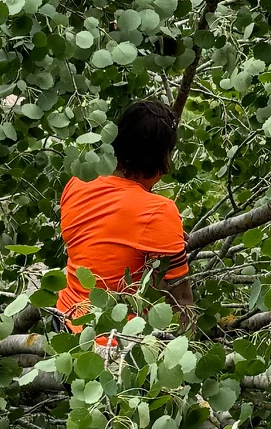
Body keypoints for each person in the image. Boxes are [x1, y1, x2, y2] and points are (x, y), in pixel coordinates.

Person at [56, 98, 194, 330]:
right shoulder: (159, 211)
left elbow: (104, 240)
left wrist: (166, 237)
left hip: (64, 320)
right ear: (160, 159)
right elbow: (180, 300)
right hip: (116, 338)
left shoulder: (78, 182)